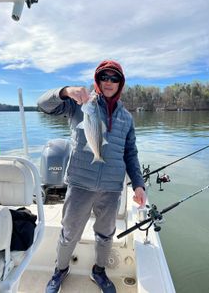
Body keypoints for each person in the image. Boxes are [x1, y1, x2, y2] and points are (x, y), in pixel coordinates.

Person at [37, 59, 146, 293]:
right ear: (97, 80)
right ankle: (60, 270)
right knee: (69, 232)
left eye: (114, 78)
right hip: (79, 184)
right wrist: (64, 91)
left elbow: (131, 153)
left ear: (120, 83)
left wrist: (138, 184)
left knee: (106, 234)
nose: (108, 82)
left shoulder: (126, 117)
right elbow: (43, 105)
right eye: (104, 77)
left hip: (111, 188)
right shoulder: (80, 104)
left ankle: (99, 271)